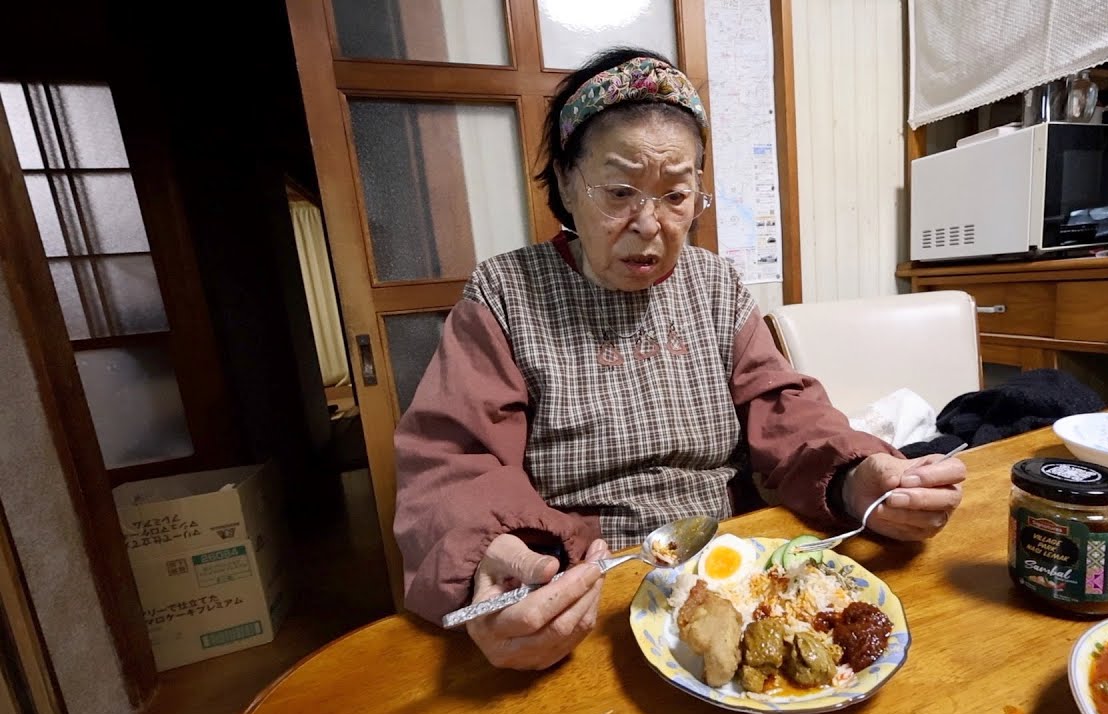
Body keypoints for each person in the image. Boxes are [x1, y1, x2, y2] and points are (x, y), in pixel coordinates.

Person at [394, 47, 965, 671]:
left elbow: (782, 406)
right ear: (565, 182)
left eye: (676, 196)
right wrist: (497, 553)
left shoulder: (715, 285)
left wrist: (856, 479)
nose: (649, 224)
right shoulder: (506, 294)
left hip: (730, 569)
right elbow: (452, 461)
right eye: (620, 192)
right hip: (582, 587)